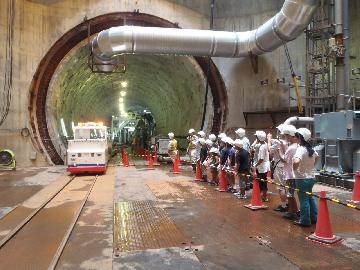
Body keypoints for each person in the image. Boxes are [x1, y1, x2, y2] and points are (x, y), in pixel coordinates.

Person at [293, 128, 319, 227]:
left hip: (302, 178)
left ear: (300, 137)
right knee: (310, 197)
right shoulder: (310, 148)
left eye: (296, 136)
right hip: (311, 177)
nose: (295, 137)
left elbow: (296, 162)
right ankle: (314, 218)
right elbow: (317, 157)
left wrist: (294, 170)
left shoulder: (300, 149)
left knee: (304, 200)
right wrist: (312, 166)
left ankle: (304, 221)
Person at [281, 125, 300, 220]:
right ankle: (294, 210)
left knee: (290, 194)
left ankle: (293, 212)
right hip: (294, 174)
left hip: (289, 174)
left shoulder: (292, 147)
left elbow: (284, 160)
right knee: (291, 193)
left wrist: (279, 150)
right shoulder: (298, 146)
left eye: (286, 136)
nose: (286, 138)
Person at [269, 124, 288, 212]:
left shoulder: (278, 142)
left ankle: (284, 206)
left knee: (281, 187)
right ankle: (287, 203)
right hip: (286, 166)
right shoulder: (287, 141)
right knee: (286, 186)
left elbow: (270, 150)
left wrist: (269, 139)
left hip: (279, 166)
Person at [252, 131, 270, 202]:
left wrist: (255, 165)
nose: (255, 138)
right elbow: (253, 146)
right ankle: (262, 196)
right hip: (263, 166)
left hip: (261, 167)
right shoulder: (264, 143)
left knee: (262, 182)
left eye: (256, 137)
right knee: (262, 181)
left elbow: (261, 159)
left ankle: (264, 197)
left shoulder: (262, 147)